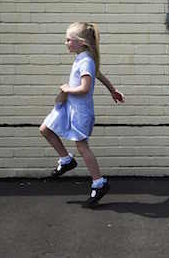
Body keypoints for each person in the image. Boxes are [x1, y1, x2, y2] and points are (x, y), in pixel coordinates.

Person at [39, 22, 125, 205]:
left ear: (82, 43)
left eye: (69, 40)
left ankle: (99, 183)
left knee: (82, 146)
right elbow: (98, 74)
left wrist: (67, 88)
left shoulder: (86, 60)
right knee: (45, 129)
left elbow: (85, 89)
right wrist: (112, 90)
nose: (66, 43)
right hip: (69, 107)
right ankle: (66, 160)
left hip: (80, 111)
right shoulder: (83, 57)